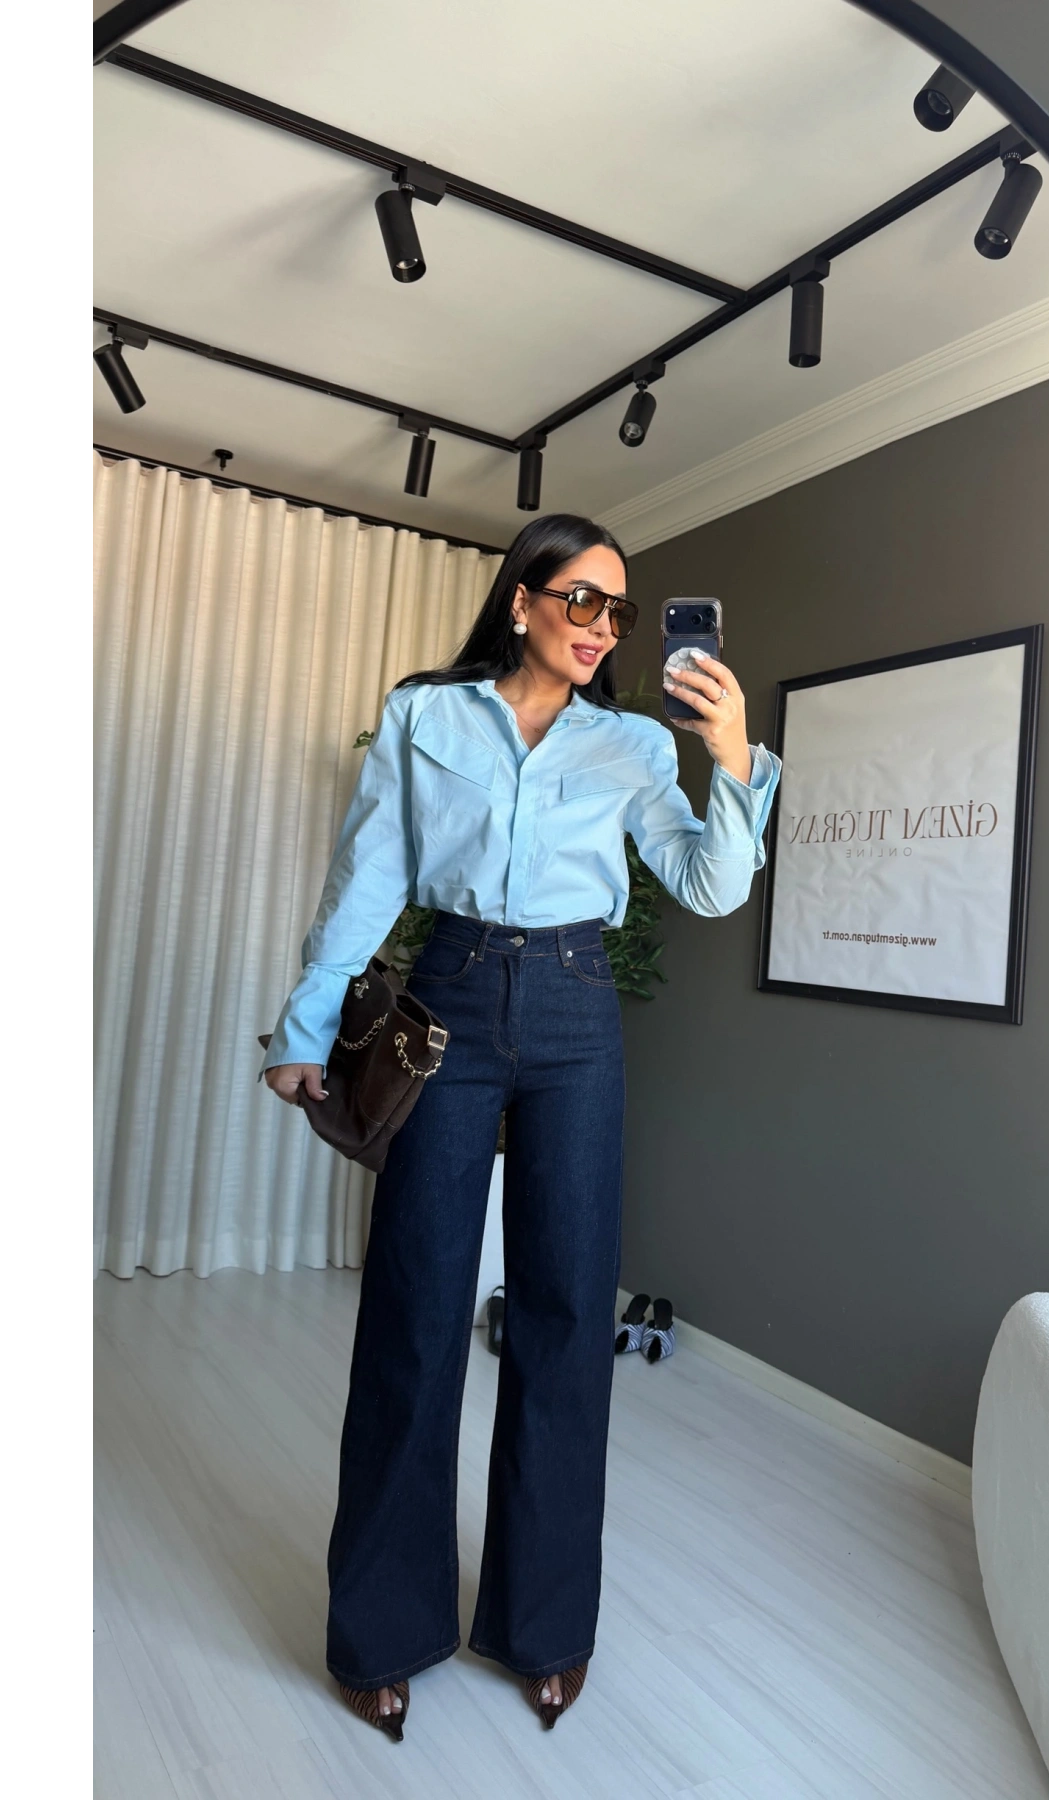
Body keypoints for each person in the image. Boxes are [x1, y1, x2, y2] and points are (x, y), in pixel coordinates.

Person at [260, 513, 782, 1737]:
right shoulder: (425, 717)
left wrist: (733, 759)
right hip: (445, 999)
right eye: (580, 600)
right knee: (415, 1307)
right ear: (522, 600)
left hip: (575, 1011)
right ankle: (382, 1629)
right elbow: (370, 877)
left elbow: (708, 884)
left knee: (566, 1313)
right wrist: (305, 1026)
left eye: (618, 610)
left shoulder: (634, 745)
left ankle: (545, 1626)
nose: (602, 627)